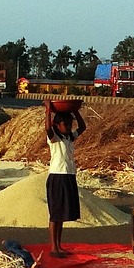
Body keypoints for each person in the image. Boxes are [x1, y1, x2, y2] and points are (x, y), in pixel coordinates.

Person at [44, 99, 86, 257]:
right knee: (55, 213)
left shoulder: (69, 138)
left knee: (61, 214)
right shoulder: (54, 138)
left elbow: (82, 127)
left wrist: (75, 111)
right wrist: (48, 110)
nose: (69, 128)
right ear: (57, 125)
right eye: (66, 125)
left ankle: (59, 245)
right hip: (57, 176)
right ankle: (53, 247)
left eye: (69, 125)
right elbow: (48, 128)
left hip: (69, 175)